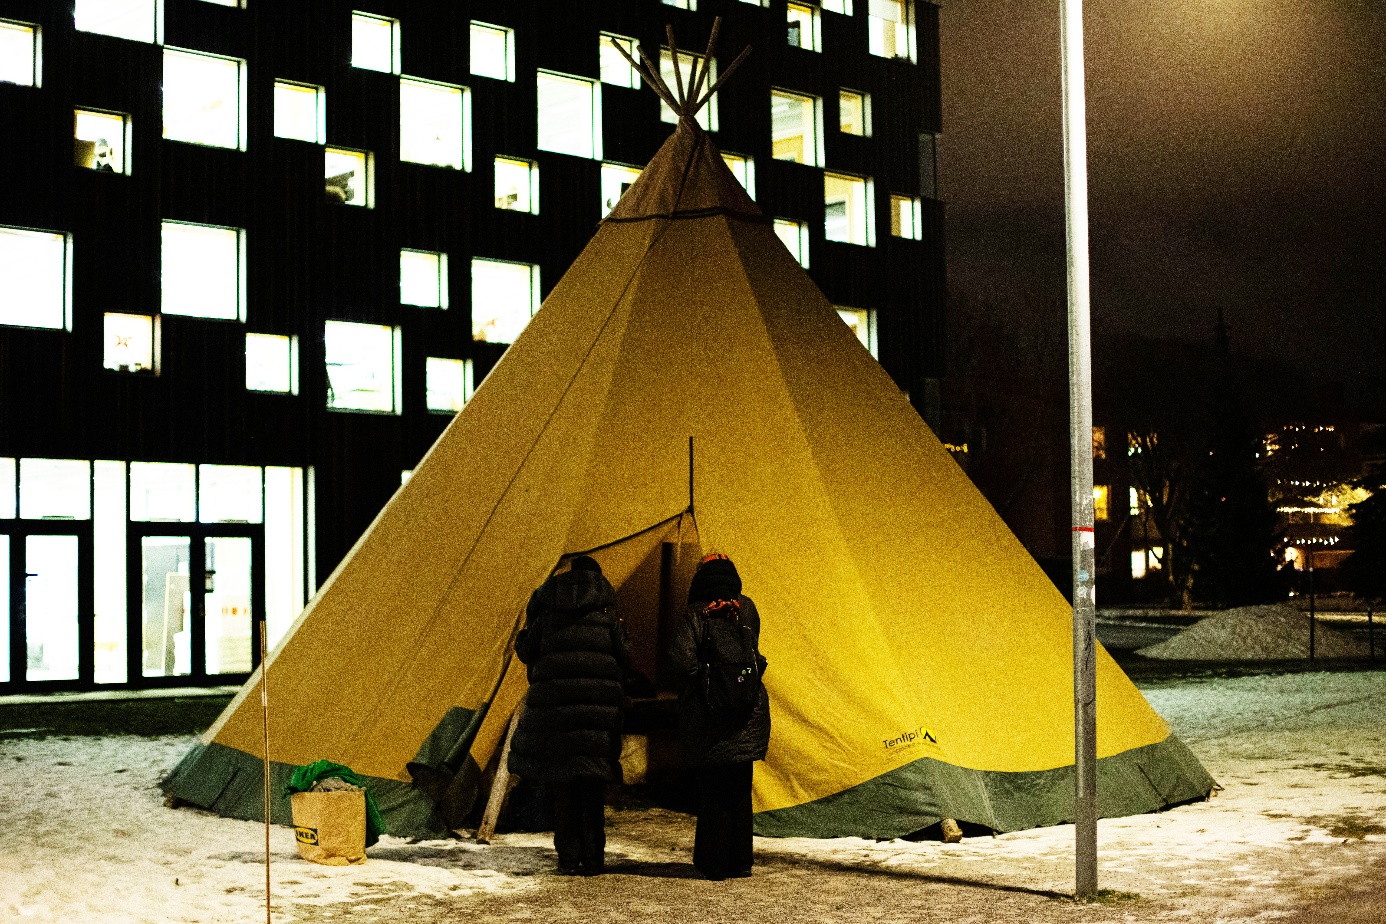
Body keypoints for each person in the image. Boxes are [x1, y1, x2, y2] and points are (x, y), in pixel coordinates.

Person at [507, 555, 639, 876]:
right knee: (591, 792)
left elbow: (525, 651)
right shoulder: (608, 617)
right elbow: (629, 657)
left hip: (557, 720)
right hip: (598, 720)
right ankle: (593, 860)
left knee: (563, 791)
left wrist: (526, 630)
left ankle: (567, 859)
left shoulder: (548, 614)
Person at [668, 553, 770, 880]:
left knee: (713, 792)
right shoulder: (747, 608)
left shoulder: (695, 613)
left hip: (710, 717)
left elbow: (680, 660)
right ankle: (740, 862)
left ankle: (713, 863)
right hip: (748, 711)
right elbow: (754, 652)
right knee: (740, 791)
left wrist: (705, 683)